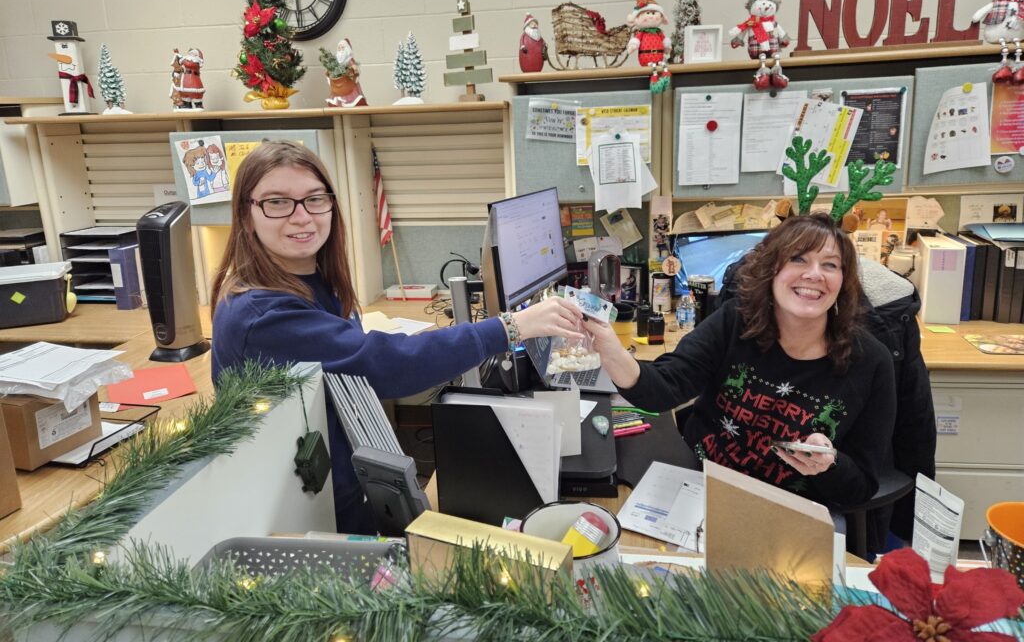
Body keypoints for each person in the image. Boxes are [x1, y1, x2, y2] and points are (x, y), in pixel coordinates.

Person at [210, 141, 584, 533]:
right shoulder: (262, 315)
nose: (301, 217)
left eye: (314, 199)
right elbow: (383, 364)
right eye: (277, 202)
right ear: (246, 215)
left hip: (336, 479)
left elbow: (351, 357)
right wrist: (510, 327)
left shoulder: (311, 277)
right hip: (305, 511)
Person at [585, 213, 896, 508]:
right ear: (771, 270)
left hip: (790, 511)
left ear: (843, 281)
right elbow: (662, 389)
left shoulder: (871, 363)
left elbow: (861, 488)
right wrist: (609, 347)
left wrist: (830, 465)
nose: (814, 274)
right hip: (701, 486)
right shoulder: (736, 322)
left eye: (830, 265)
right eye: (798, 259)